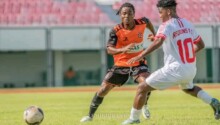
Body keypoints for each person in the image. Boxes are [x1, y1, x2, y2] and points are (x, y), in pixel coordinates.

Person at [122, 0, 220, 124]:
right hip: (190, 68)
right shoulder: (188, 24)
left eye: (160, 12)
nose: (159, 15)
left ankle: (134, 119)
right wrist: (184, 55)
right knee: (189, 88)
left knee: (142, 88)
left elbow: (159, 42)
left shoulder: (166, 25)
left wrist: (140, 55)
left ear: (168, 11)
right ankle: (214, 102)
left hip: (175, 68)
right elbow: (200, 45)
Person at [80, 2, 156, 122]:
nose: (127, 16)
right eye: (124, 13)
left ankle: (144, 106)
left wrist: (154, 34)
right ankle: (90, 116)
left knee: (146, 83)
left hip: (138, 62)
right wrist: (123, 49)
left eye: (129, 13)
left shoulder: (142, 22)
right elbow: (109, 49)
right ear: (120, 15)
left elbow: (148, 22)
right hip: (121, 64)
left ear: (133, 14)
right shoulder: (116, 30)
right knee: (103, 90)